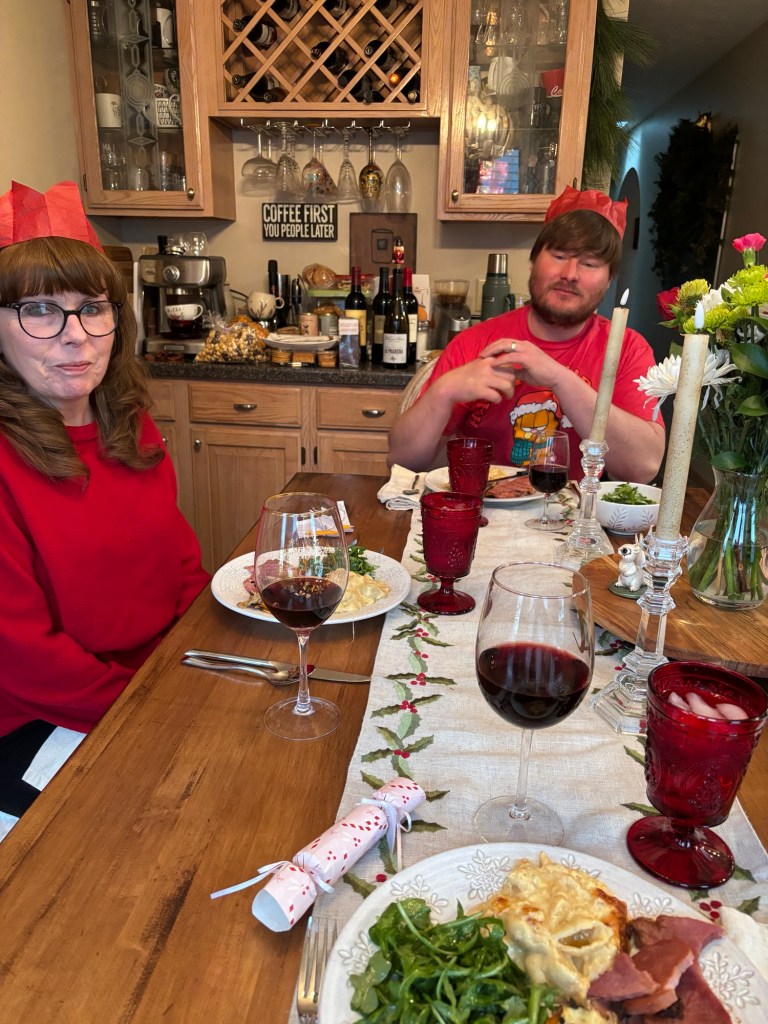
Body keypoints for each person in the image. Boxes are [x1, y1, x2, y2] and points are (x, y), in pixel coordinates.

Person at [0, 181, 209, 835]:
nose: (76, 337)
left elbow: (179, 563)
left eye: (92, 308)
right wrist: (158, 708)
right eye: (39, 310)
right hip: (43, 715)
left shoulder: (129, 423)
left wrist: (210, 650)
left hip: (157, 679)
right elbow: (24, 657)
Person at [388, 187, 665, 483]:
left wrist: (559, 378)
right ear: (533, 261)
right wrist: (443, 392)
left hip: (576, 510)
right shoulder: (475, 343)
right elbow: (402, 462)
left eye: (589, 263)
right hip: (484, 506)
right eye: (559, 255)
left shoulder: (627, 349)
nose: (570, 273)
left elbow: (643, 468)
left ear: (609, 280)